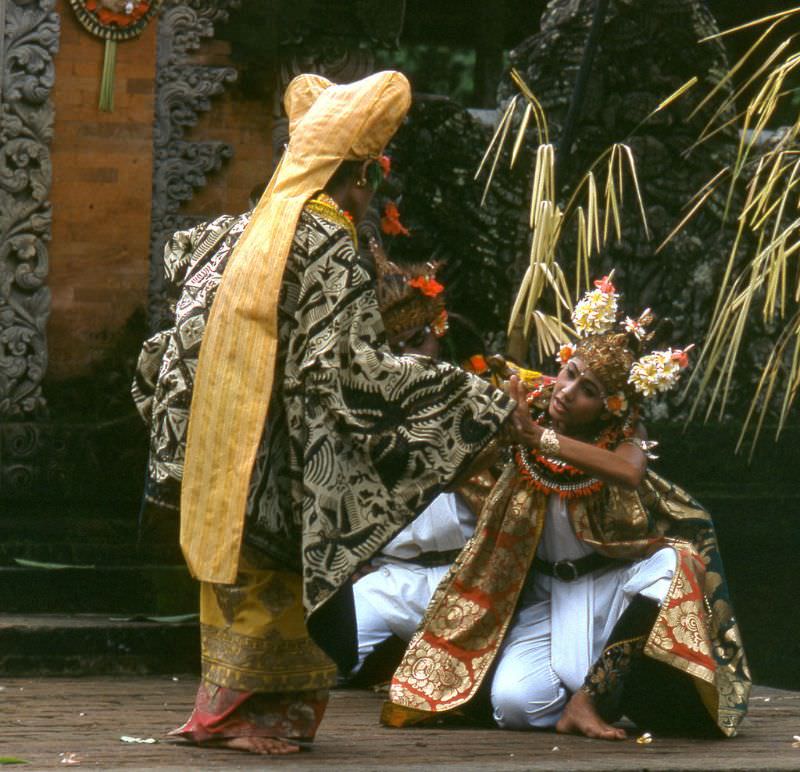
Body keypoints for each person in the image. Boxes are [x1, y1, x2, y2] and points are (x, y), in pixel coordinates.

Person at [134, 71, 515, 755]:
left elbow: (174, 333)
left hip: (226, 432)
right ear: (363, 177)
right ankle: (242, 719)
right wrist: (465, 396)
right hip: (280, 438)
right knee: (278, 574)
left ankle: (231, 713)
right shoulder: (327, 241)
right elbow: (351, 368)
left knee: (247, 575)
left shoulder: (240, 229)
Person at [383, 274, 751, 740]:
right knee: (515, 705)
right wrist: (497, 425)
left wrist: (541, 439)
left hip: (611, 587)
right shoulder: (528, 410)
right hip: (545, 593)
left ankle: (587, 700)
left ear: (611, 408)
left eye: (588, 390)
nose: (567, 390)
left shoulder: (621, 439)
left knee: (674, 563)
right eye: (571, 372)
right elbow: (455, 471)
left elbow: (629, 471)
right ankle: (593, 695)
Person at [350, 242, 491, 682]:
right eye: (394, 349)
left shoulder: (486, 396)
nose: (409, 357)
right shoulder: (367, 410)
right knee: (324, 659)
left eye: (417, 341)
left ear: (439, 327)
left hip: (468, 580)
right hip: (393, 579)